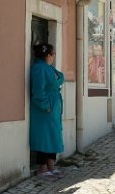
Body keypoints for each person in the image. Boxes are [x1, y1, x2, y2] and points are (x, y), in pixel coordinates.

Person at [30, 44, 65, 179]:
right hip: (46, 109)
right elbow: (38, 90)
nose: (54, 56)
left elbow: (60, 77)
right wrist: (46, 106)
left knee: (55, 135)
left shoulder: (48, 68)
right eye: (53, 54)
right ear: (48, 55)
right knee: (45, 137)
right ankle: (42, 167)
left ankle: (51, 164)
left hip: (54, 107)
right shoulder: (39, 68)